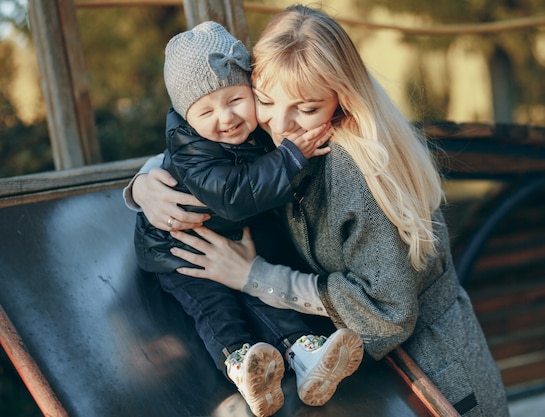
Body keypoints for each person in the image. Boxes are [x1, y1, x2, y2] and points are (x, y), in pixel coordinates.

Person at [127, 4, 510, 416]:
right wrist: (144, 185)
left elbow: (389, 310)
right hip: (378, 384)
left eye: (306, 109)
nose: (280, 126)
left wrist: (253, 277)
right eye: (264, 100)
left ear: (341, 103)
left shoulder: (354, 171)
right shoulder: (273, 136)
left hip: (434, 383)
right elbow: (204, 154)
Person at [133, 20, 363, 417]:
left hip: (233, 240)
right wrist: (291, 157)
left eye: (236, 99)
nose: (226, 118)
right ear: (186, 118)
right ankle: (243, 368)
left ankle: (308, 357)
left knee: (262, 291)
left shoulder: (255, 130)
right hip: (181, 252)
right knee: (216, 307)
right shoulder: (192, 149)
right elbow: (235, 196)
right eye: (206, 110)